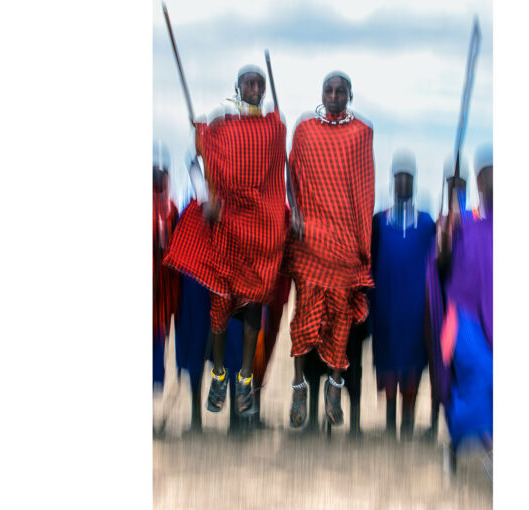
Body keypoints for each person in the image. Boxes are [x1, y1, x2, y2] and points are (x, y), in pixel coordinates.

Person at [164, 65, 287, 418]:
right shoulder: (222, 125)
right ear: (238, 86)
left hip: (258, 227)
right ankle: (218, 374)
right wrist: (205, 197)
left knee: (253, 304)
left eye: (260, 84)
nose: (254, 87)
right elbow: (196, 159)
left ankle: (245, 376)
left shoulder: (271, 129)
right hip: (225, 223)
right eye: (249, 82)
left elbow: (278, 171)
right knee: (220, 303)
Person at [285, 70, 375, 428]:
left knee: (340, 319)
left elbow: (365, 190)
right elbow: (291, 177)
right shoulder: (305, 129)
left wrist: (362, 247)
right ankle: (298, 387)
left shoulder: (361, 133)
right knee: (304, 320)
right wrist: (295, 214)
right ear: (321, 92)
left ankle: (335, 386)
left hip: (343, 245)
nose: (334, 95)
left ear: (349, 96)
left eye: (341, 91)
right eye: (329, 89)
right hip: (310, 242)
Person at [370, 149, 436, 440]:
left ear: (414, 181)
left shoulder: (426, 225)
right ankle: (389, 423)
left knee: (412, 366)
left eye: (408, 178)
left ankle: (408, 424)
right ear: (392, 180)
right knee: (387, 364)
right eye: (399, 178)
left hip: (415, 310)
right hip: (385, 307)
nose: (403, 184)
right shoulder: (378, 223)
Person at [436, 143, 493, 472]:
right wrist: (446, 242)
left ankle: (459, 445)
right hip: (466, 320)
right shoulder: (461, 225)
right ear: (480, 182)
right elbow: (442, 267)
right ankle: (482, 448)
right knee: (484, 379)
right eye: (486, 177)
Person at [424, 152, 478, 440]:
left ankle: (468, 428)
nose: (456, 188)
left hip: (467, 310)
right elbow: (438, 265)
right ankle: (436, 422)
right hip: (442, 307)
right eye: (451, 183)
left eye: (461, 183)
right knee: (441, 365)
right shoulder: (441, 221)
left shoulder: (474, 220)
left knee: (466, 368)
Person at [153, 141, 180, 434]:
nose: (158, 176)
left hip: (160, 302)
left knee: (156, 359)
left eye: (162, 171)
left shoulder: (170, 207)